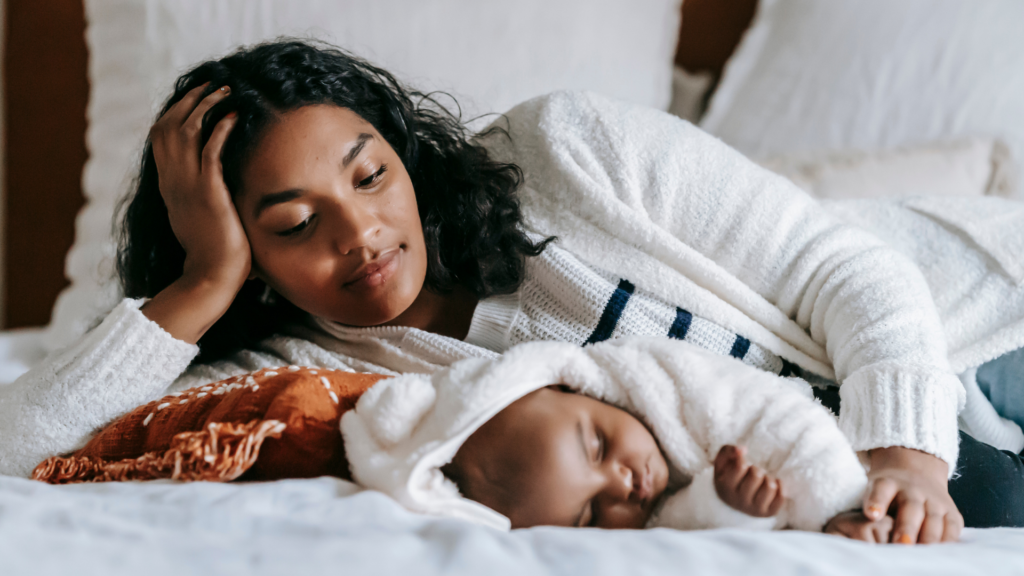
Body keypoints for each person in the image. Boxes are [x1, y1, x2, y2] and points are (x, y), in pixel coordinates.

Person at [2, 39, 1024, 542]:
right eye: (293, 225)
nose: (361, 236)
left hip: (973, 327)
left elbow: (843, 269)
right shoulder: (300, 374)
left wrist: (905, 455)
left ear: (402, 151)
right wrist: (201, 281)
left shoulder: (565, 151)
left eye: (368, 175)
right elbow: (18, 457)